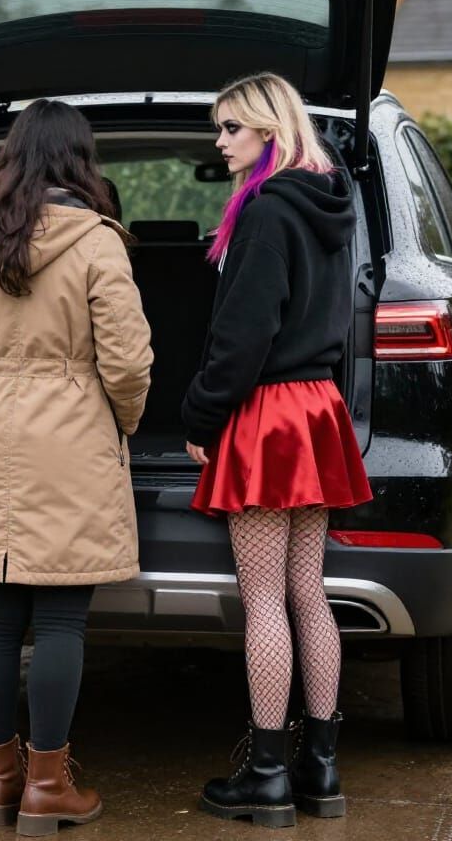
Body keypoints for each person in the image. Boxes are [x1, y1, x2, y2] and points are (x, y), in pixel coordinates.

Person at [0, 99, 153, 836]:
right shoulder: (98, 242)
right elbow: (127, 362)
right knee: (61, 614)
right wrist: (117, 420)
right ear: (79, 161)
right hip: (72, 434)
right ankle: (47, 787)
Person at [182, 73, 372, 828]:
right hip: (317, 409)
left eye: (230, 127)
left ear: (266, 128)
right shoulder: (331, 205)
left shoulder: (264, 212)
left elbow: (244, 336)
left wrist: (200, 413)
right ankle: (319, 771)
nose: (219, 141)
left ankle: (266, 776)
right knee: (309, 592)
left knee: (264, 598)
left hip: (267, 414)